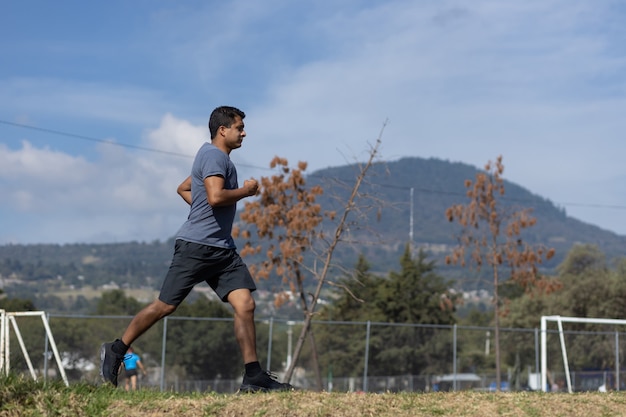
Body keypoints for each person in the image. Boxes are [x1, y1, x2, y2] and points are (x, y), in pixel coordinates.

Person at [100, 106, 293, 393]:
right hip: (197, 247)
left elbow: (185, 188)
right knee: (164, 306)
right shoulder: (215, 156)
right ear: (223, 130)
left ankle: (253, 376)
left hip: (222, 250)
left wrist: (203, 208)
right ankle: (116, 349)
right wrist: (247, 191)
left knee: (246, 305)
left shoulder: (210, 156)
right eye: (239, 127)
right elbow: (215, 197)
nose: (244, 132)